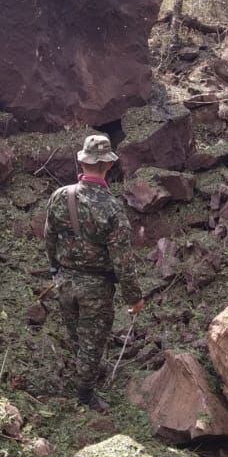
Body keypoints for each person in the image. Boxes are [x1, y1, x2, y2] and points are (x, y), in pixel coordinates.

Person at [44, 134, 144, 413]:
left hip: (64, 282)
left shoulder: (60, 196)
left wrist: (55, 270)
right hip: (96, 291)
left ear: (82, 161)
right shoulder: (112, 208)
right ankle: (85, 395)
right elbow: (123, 262)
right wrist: (134, 298)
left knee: (77, 336)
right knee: (91, 344)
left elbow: (48, 238)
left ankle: (84, 370)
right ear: (108, 166)